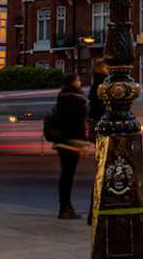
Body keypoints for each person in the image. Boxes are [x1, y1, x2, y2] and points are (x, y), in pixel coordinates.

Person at [54, 72, 88, 219]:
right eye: (78, 79)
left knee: (65, 175)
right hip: (72, 143)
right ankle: (66, 208)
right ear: (73, 82)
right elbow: (78, 123)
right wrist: (83, 143)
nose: (80, 82)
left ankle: (64, 206)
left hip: (61, 141)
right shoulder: (77, 98)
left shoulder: (62, 96)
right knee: (69, 175)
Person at [87, 59, 109, 225]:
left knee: (101, 170)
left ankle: (94, 212)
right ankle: (96, 211)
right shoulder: (103, 85)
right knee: (104, 171)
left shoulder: (95, 85)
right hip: (104, 130)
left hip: (96, 128)